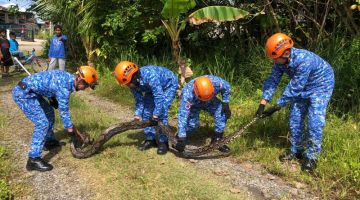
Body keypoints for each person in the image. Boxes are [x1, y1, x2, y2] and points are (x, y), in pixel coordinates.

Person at [255, 33, 335, 172]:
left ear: (286, 53)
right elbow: (273, 80)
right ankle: (296, 150)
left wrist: (276, 106)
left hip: (321, 85)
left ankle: (312, 157)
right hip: (303, 86)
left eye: (275, 58)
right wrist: (263, 103)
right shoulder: (280, 61)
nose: (274, 61)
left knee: (314, 120)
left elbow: (294, 88)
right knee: (295, 118)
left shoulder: (304, 60)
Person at [12, 66, 99, 172]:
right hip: (23, 94)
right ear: (80, 79)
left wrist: (51, 97)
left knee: (49, 113)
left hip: (31, 91)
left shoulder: (68, 78)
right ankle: (33, 159)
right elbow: (64, 113)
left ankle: (48, 141)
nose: (85, 88)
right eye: (86, 86)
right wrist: (72, 135)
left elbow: (48, 83)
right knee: (42, 123)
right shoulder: (65, 87)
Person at [114, 61, 178, 155]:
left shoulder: (150, 75)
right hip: (150, 89)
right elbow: (139, 100)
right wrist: (138, 114)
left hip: (168, 85)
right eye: (126, 84)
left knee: (162, 111)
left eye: (128, 83)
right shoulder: (132, 83)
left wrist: (156, 114)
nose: (128, 86)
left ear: (134, 77)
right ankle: (150, 139)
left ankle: (163, 142)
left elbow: (158, 96)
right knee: (147, 111)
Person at [174, 75, 232, 153]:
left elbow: (227, 87)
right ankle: (179, 139)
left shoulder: (217, 82)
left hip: (210, 100)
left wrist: (226, 102)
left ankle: (217, 141)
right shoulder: (187, 95)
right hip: (194, 104)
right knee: (192, 125)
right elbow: (183, 115)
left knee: (222, 113)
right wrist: (181, 136)